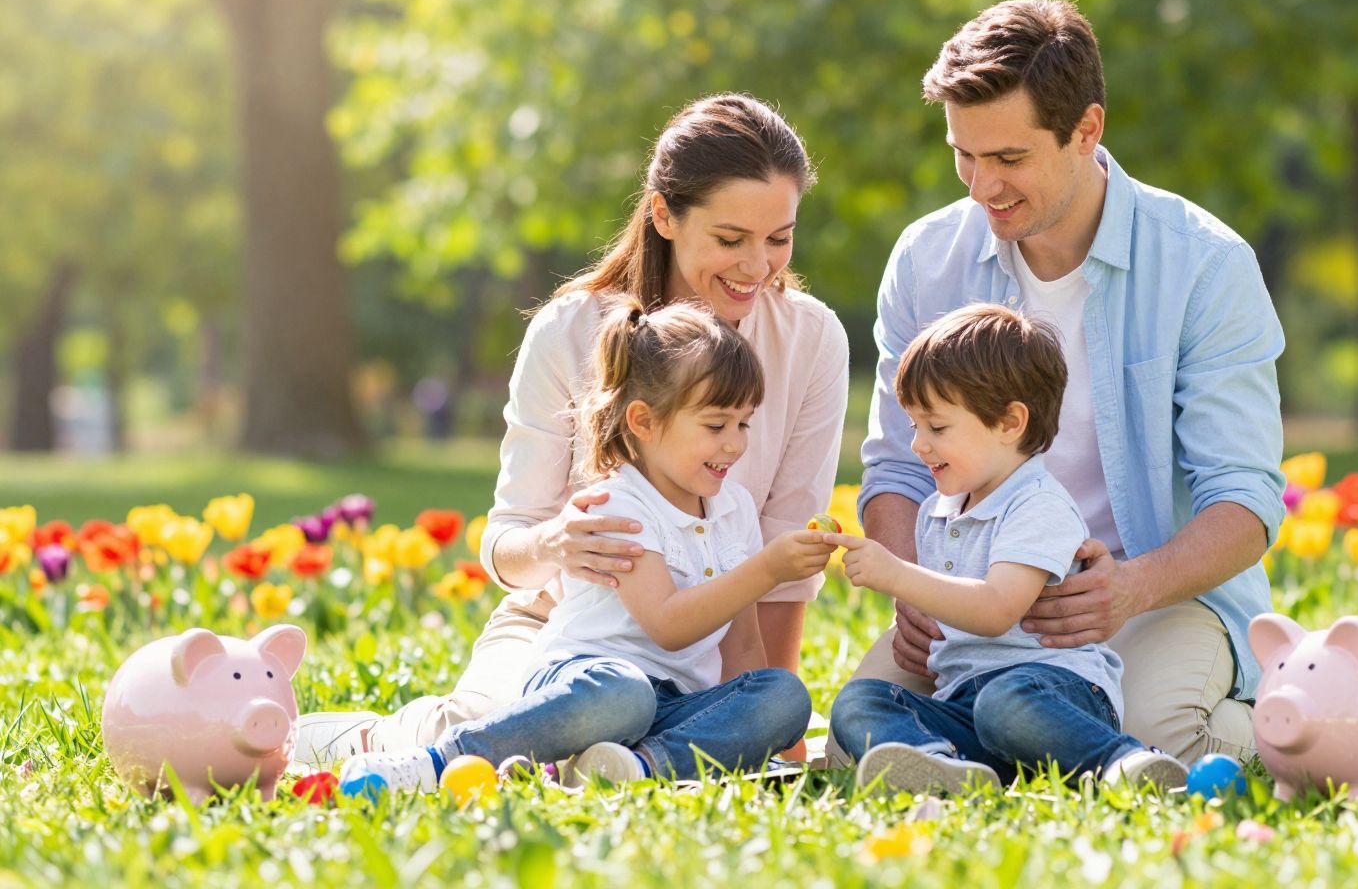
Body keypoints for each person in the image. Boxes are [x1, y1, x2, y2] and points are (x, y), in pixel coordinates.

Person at [297, 94, 849, 763]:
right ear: (663, 214)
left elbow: (782, 558)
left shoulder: (811, 338)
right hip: (561, 632)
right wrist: (556, 544)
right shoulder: (570, 332)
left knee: (770, 707)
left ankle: (634, 762)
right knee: (491, 738)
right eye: (730, 239)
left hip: (697, 653)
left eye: (779, 238)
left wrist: (772, 735)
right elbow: (503, 546)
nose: (757, 266)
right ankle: (375, 741)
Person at [838, 0, 1285, 766]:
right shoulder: (925, 259)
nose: (982, 188)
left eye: (1009, 159)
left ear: (1087, 131)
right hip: (973, 605)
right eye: (963, 155)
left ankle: (1306, 715)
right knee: (859, 747)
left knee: (1163, 742)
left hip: (1148, 598)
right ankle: (998, 752)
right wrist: (914, 586)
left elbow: (1245, 501)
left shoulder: (1205, 265)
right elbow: (896, 468)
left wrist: (1132, 589)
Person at [340, 300, 828, 791]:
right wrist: (767, 569)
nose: (735, 445)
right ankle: (442, 759)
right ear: (644, 421)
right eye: (716, 426)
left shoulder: (734, 509)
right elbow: (668, 625)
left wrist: (757, 727)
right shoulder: (617, 503)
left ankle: (636, 768)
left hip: (679, 704)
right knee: (626, 696)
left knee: (783, 695)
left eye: (744, 424)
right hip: (588, 687)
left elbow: (741, 644)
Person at [825, 304, 1186, 793]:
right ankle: (939, 766)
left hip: (1050, 693)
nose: (918, 446)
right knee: (860, 700)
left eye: (937, 428)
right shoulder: (939, 510)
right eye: (914, 426)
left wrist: (897, 575)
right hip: (966, 708)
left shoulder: (1038, 505)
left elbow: (996, 609)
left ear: (1010, 422)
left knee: (1004, 702)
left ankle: (1121, 762)